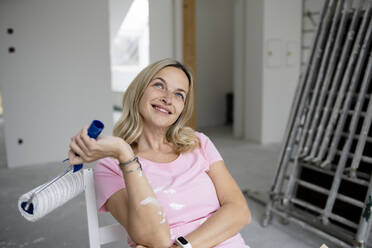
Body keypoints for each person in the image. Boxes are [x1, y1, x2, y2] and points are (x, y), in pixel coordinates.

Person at [68, 58, 251, 248]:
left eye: (179, 94)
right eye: (159, 85)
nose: (168, 98)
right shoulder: (111, 167)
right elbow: (154, 239)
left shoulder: (199, 143)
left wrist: (182, 247)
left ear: (182, 108)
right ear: (138, 91)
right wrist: (125, 155)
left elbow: (240, 211)